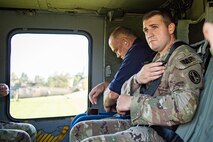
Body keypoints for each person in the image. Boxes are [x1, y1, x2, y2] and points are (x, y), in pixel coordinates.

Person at [70, 9, 203, 142]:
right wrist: (137, 79)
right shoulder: (158, 57)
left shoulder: (182, 57)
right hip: (145, 122)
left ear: (170, 28)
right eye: (146, 30)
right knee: (79, 130)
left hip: (161, 132)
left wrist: (133, 104)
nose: (149, 34)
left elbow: (185, 108)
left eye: (154, 27)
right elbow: (124, 93)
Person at [70, 26, 155, 127]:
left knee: (80, 123)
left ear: (126, 42)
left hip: (137, 113)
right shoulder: (139, 49)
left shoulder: (136, 53)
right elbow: (122, 85)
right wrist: (105, 85)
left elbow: (112, 95)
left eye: (116, 50)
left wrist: (107, 102)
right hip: (132, 110)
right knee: (78, 119)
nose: (118, 55)